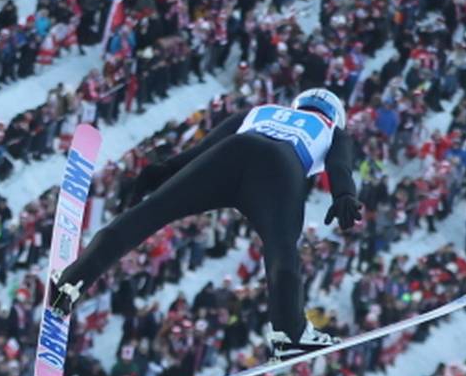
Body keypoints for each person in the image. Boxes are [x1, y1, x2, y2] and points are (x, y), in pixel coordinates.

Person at [48, 88, 364, 357]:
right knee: (282, 252)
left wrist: (163, 171)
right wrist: (344, 195)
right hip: (280, 169)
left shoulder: (261, 111)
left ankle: (73, 279)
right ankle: (290, 334)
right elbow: (339, 165)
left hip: (233, 153)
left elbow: (203, 148)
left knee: (151, 212)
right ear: (335, 116)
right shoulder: (332, 129)